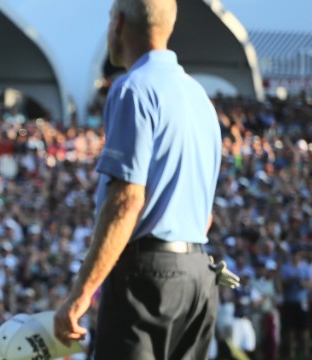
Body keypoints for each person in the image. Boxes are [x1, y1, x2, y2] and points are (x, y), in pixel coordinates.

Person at [53, 0, 223, 358]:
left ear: (117, 23)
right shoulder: (200, 98)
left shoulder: (133, 88)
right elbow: (206, 210)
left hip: (148, 277)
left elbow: (127, 200)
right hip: (198, 275)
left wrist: (82, 293)